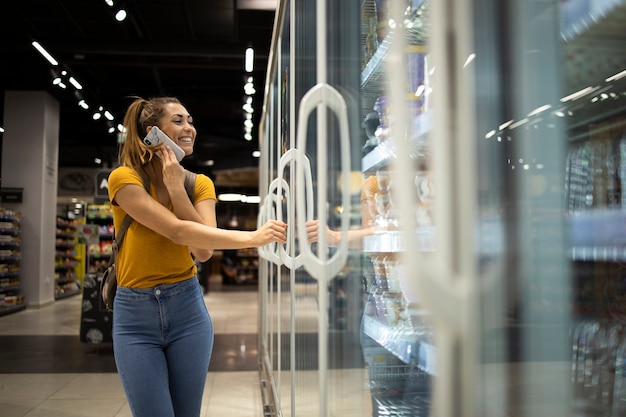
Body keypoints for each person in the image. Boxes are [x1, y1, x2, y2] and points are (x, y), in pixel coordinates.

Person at [107, 96, 287, 417]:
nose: (189, 128)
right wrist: (253, 237)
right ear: (152, 132)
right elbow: (177, 231)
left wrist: (177, 188)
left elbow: (202, 251)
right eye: (178, 121)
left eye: (190, 120)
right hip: (136, 317)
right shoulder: (125, 179)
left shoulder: (198, 183)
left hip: (187, 310)